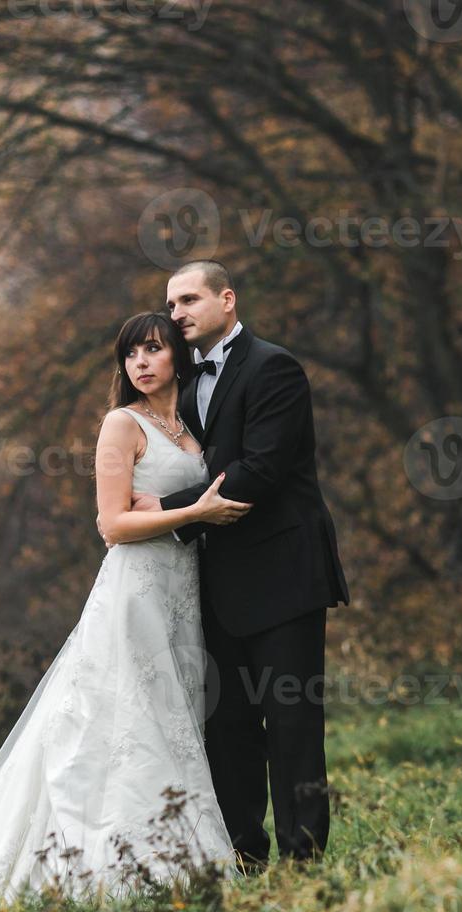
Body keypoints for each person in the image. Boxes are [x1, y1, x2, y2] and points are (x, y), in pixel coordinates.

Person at [0, 312, 250, 912]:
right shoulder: (121, 425)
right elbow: (112, 525)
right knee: (128, 719)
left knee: (176, 718)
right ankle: (120, 867)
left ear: (178, 358)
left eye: (153, 350)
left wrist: (199, 509)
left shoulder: (189, 429)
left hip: (183, 595)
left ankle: (178, 856)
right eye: (131, 355)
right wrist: (197, 512)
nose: (141, 363)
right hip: (134, 594)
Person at [108, 260, 350, 867]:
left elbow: (261, 471)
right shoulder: (179, 384)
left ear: (228, 300)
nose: (178, 313)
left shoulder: (274, 368)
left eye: (189, 300)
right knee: (229, 727)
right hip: (213, 584)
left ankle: (304, 860)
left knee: (292, 723)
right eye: (171, 305)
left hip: (284, 577)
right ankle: (244, 851)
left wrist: (166, 505)